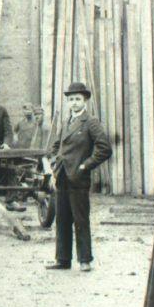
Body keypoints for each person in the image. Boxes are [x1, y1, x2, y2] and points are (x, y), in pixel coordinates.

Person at [47, 82, 112, 272]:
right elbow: (55, 146)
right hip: (61, 178)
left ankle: (84, 260)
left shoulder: (91, 122)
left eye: (77, 99)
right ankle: (63, 259)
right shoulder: (66, 122)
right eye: (71, 100)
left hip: (78, 178)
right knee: (62, 218)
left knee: (80, 219)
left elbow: (104, 149)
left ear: (85, 101)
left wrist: (85, 165)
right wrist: (54, 162)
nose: (74, 103)